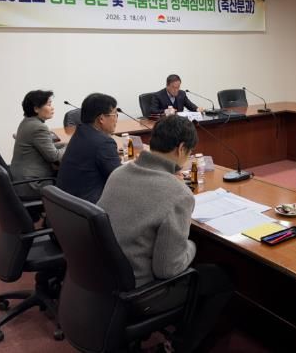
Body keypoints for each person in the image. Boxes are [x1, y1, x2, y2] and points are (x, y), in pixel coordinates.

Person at [98, 116, 232, 352]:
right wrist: (193, 246)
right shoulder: (177, 193)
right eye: (189, 152)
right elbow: (168, 269)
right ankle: (179, 346)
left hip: (103, 279)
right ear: (181, 148)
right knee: (221, 278)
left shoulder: (119, 172)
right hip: (141, 293)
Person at [56, 93, 121, 203]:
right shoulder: (104, 142)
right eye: (115, 114)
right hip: (90, 205)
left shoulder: (80, 132)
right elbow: (119, 177)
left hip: (67, 203)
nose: (116, 119)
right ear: (101, 118)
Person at [10, 90, 66, 199]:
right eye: (49, 104)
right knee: (74, 179)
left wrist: (65, 145)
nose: (52, 108)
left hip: (21, 178)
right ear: (36, 109)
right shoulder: (38, 127)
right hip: (33, 184)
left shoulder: (27, 122)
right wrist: (70, 147)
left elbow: (47, 147)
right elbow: (54, 157)